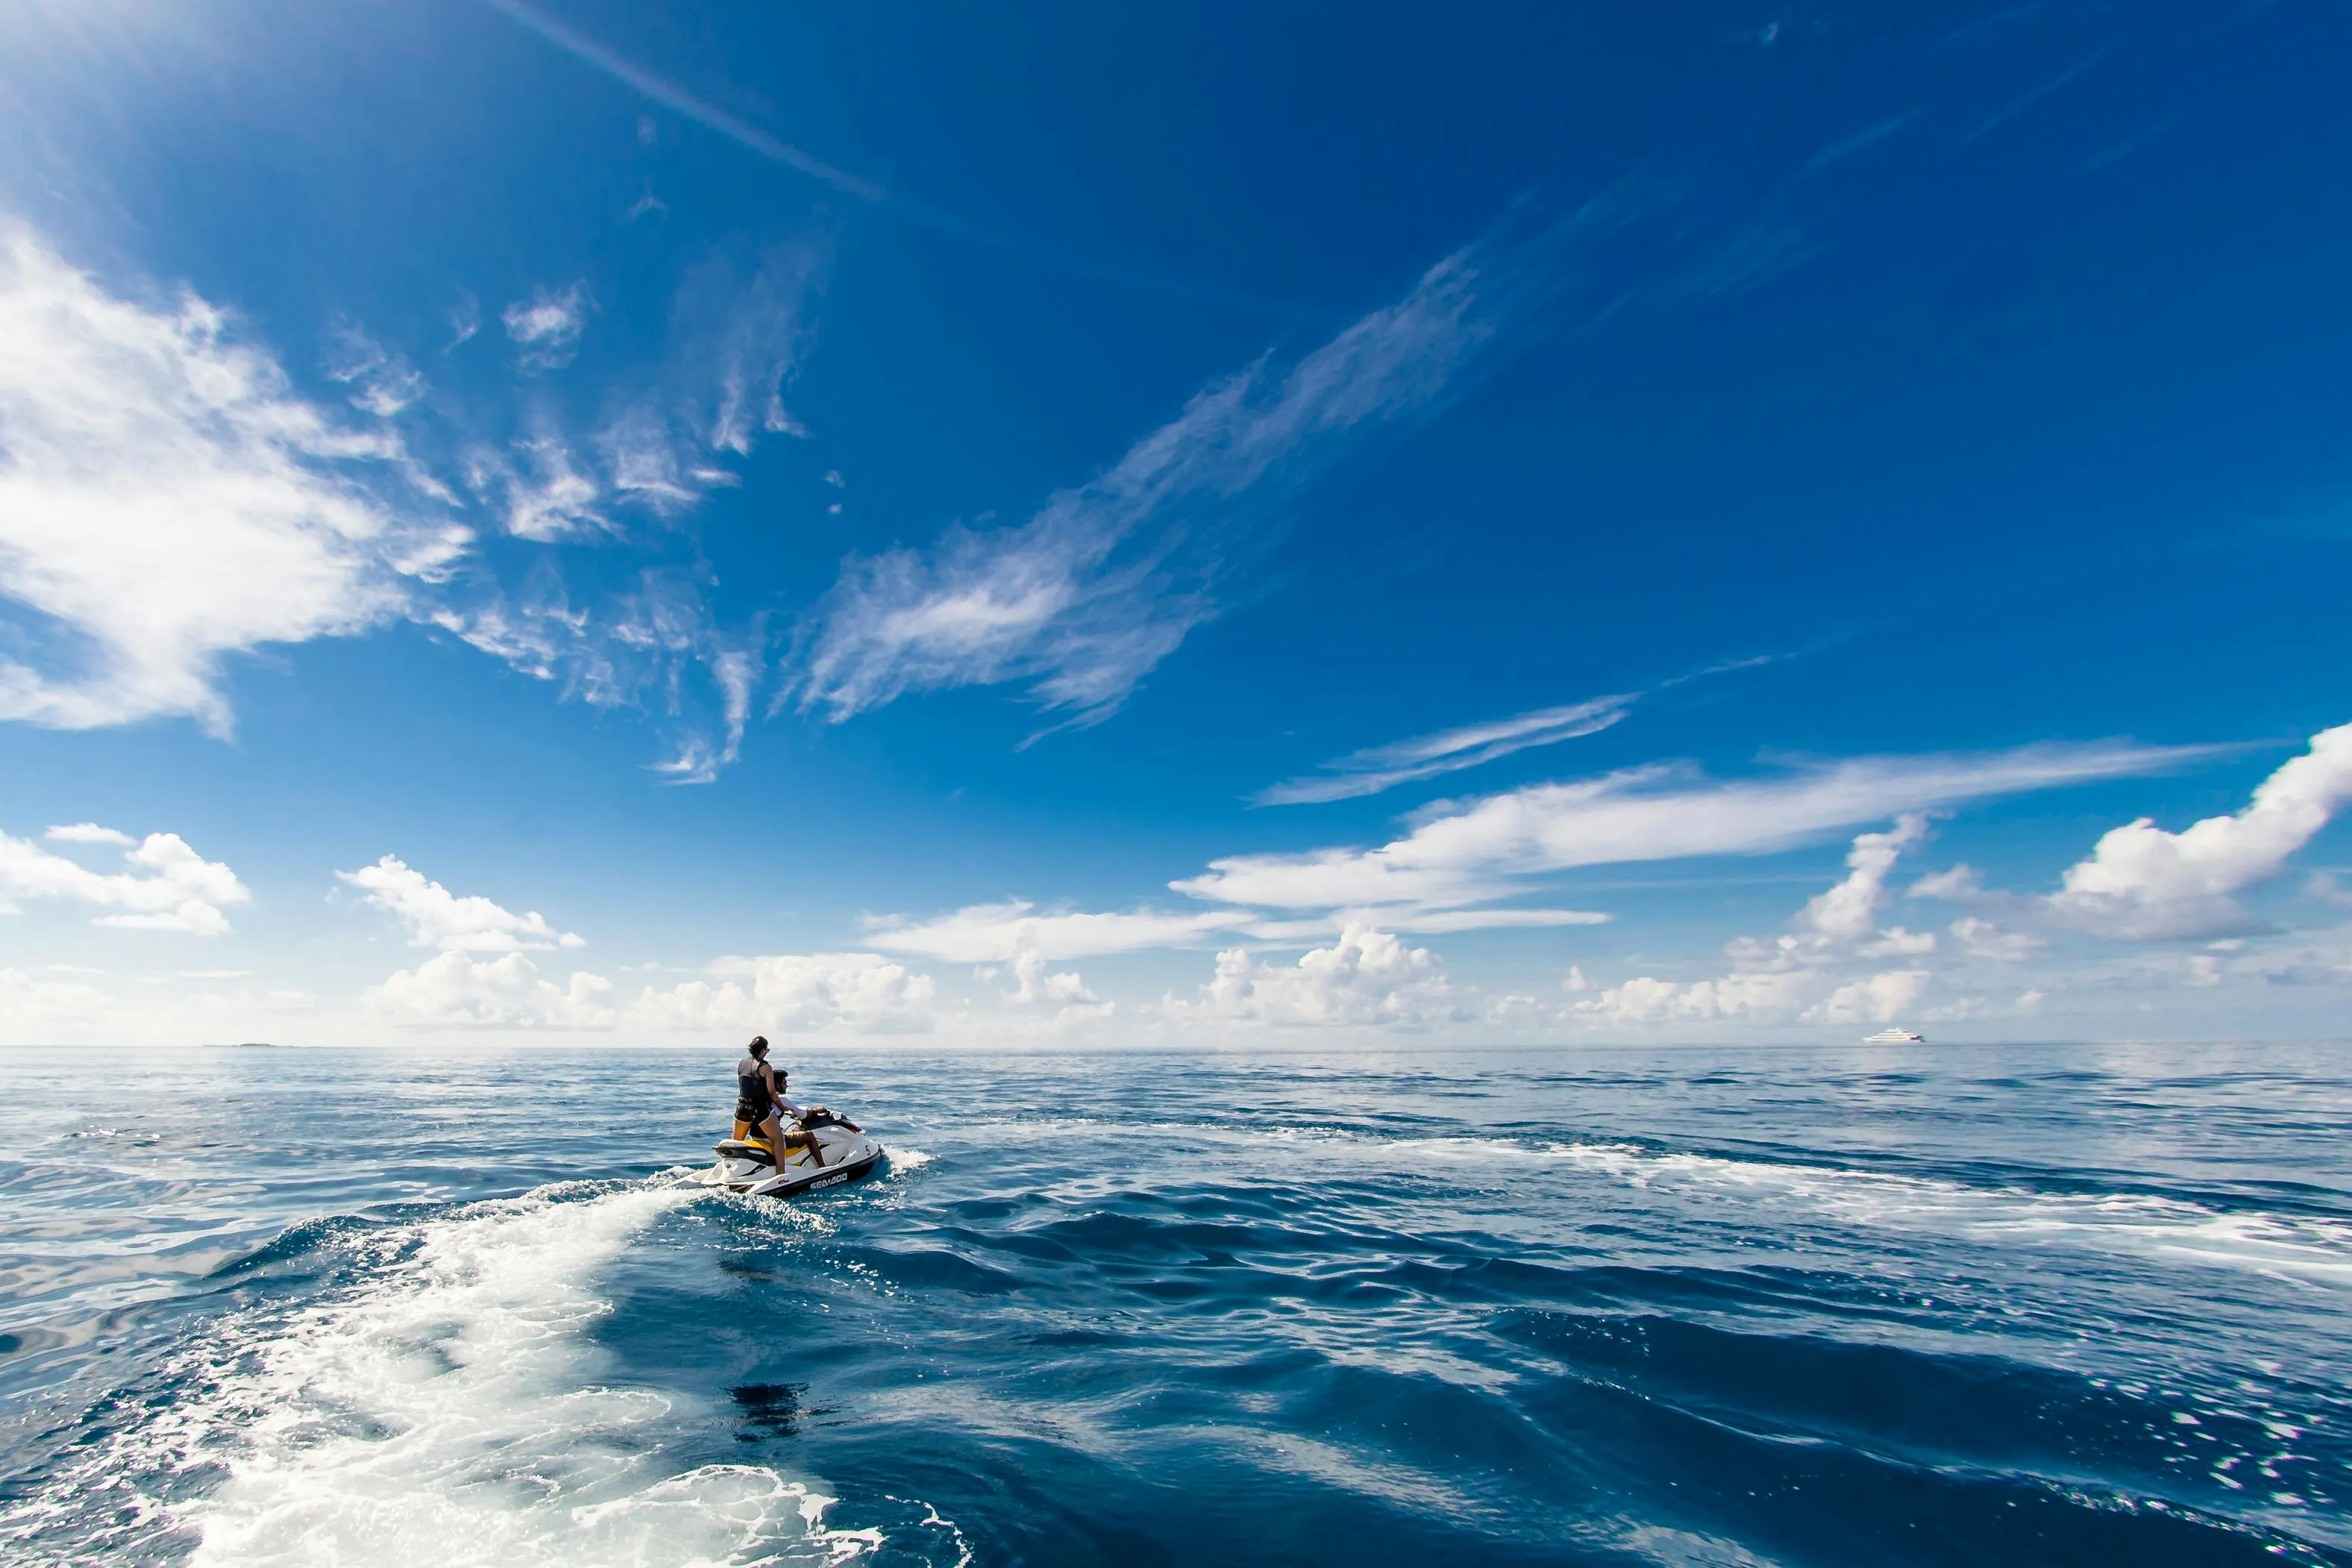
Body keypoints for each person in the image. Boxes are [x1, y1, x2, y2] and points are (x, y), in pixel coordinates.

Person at [733, 1036, 827, 1168]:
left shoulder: (742, 1063)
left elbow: (748, 1085)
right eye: (767, 1050)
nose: (767, 1052)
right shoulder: (765, 1067)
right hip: (758, 1108)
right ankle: (781, 1174)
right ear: (763, 1050)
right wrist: (782, 1107)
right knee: (778, 1139)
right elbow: (771, 1092)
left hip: (742, 1107)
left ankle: (729, 1166)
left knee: (736, 1142)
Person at [771, 1065, 860, 1135]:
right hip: (775, 1137)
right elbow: (804, 1116)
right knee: (809, 1136)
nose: (787, 1086)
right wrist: (814, 1111)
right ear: (777, 1085)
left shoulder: (766, 1097)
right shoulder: (781, 1098)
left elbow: (790, 1109)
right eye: (784, 1083)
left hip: (766, 1133)